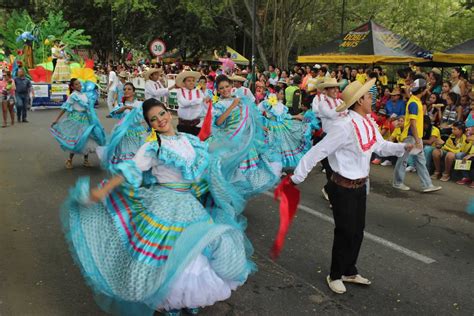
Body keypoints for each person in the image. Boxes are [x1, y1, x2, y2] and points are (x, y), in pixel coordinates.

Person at [61, 98, 254, 316]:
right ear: (150, 124)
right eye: (154, 119)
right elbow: (130, 170)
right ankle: (167, 298)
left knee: (196, 249)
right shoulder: (152, 147)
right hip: (164, 202)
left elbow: (207, 164)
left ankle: (187, 299)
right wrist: (103, 192)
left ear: (169, 113)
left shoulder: (191, 140)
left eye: (162, 114)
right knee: (168, 251)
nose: (160, 120)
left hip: (189, 203)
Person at [289, 78, 412, 294]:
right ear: (358, 101)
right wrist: (297, 177)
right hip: (342, 187)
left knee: (357, 231)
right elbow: (319, 151)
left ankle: (349, 270)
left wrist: (404, 147)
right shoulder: (344, 126)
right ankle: (335, 274)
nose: (371, 98)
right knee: (345, 231)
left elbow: (381, 147)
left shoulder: (368, 122)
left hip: (360, 186)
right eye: (368, 96)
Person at [211, 74, 281, 198]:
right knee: (230, 174)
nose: (225, 90)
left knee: (245, 175)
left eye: (227, 86)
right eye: (221, 88)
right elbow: (218, 122)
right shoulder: (219, 105)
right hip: (229, 142)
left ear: (231, 86)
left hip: (245, 141)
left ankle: (236, 197)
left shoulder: (241, 99)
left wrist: (260, 127)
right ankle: (227, 198)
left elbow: (250, 117)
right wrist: (232, 106)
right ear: (217, 90)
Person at [392, 79, 442, 193]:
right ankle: (398, 182)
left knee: (419, 161)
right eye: (425, 88)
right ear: (422, 90)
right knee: (403, 160)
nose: (426, 90)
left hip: (414, 136)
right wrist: (417, 139)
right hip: (411, 136)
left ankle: (427, 185)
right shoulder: (414, 102)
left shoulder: (415, 100)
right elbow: (413, 123)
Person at [50, 78, 106, 169]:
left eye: (79, 83)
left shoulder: (84, 94)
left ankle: (86, 160)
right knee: (77, 140)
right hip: (76, 120)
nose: (79, 85)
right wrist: (57, 119)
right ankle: (69, 160)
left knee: (87, 139)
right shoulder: (73, 96)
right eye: (76, 84)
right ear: (72, 87)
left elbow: (89, 106)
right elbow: (65, 108)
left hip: (86, 119)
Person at [259, 86, 318, 168]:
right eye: (281, 93)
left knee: (282, 146)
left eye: (283, 94)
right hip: (271, 127)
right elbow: (257, 113)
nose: (283, 96)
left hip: (280, 126)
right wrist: (261, 125)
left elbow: (284, 116)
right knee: (274, 146)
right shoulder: (266, 102)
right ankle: (273, 165)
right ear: (276, 93)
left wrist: (296, 116)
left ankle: (279, 166)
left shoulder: (280, 105)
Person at [100, 82, 148, 168]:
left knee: (139, 155)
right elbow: (114, 112)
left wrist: (133, 109)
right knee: (126, 156)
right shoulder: (121, 105)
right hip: (124, 133)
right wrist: (125, 108)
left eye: (129, 89)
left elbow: (143, 117)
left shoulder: (140, 104)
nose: (126, 91)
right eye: (124, 89)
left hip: (138, 133)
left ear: (134, 92)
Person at [176, 70, 206, 136]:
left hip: (196, 125)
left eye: (193, 81)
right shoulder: (180, 91)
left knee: (195, 143)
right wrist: (200, 100)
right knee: (184, 143)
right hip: (183, 124)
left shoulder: (199, 92)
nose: (191, 82)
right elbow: (184, 103)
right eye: (189, 81)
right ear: (184, 83)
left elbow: (205, 105)